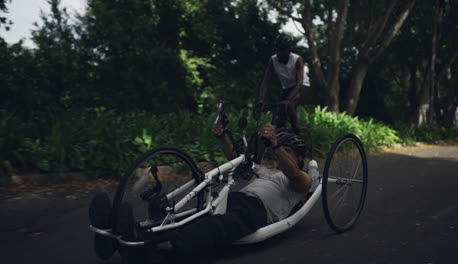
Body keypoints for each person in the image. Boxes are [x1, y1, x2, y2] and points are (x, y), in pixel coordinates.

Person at [89, 121, 313, 263]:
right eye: (280, 150)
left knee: (215, 227)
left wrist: (275, 144)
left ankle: (146, 250)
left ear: (299, 157)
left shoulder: (301, 180)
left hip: (256, 212)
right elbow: (236, 161)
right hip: (233, 199)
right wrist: (222, 136)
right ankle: (119, 233)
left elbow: (293, 173)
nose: (280, 153)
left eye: (287, 151)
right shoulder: (265, 170)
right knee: (190, 217)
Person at [257, 34, 310, 133]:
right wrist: (261, 99)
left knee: (289, 104)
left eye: (282, 50)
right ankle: (282, 137)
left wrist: (288, 100)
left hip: (302, 85)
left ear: (289, 50)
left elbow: (299, 83)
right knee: (279, 116)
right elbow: (265, 82)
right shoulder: (273, 60)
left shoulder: (297, 59)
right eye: (277, 50)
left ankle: (296, 129)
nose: (279, 53)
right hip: (287, 88)